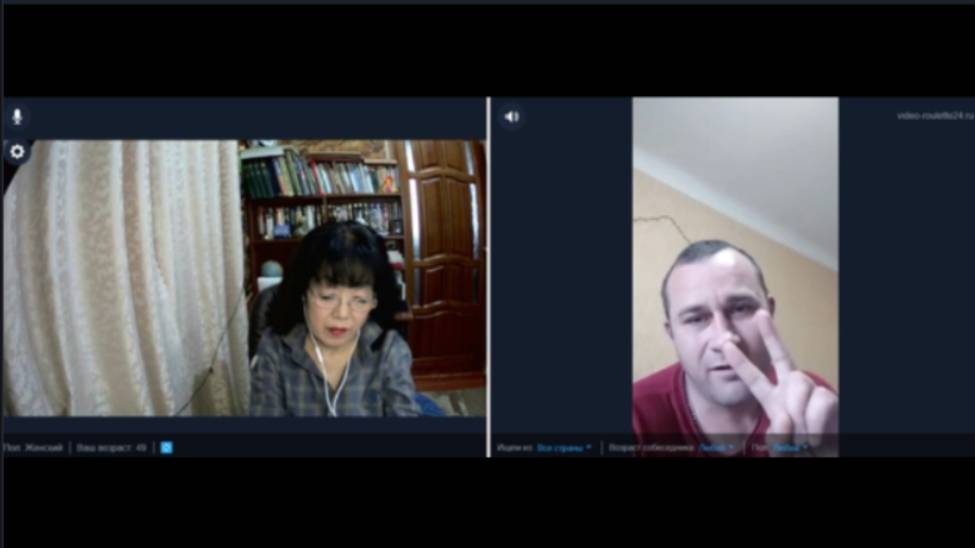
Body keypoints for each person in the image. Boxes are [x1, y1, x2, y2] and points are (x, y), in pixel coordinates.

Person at [632, 240, 838, 457]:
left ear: (770, 311)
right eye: (695, 319)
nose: (725, 340)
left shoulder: (810, 404)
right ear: (672, 332)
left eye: (741, 308)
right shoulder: (635, 415)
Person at [250, 221, 420, 417]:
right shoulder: (275, 347)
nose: (342, 314)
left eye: (360, 300)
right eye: (327, 297)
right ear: (303, 293)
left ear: (375, 301)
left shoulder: (389, 349)